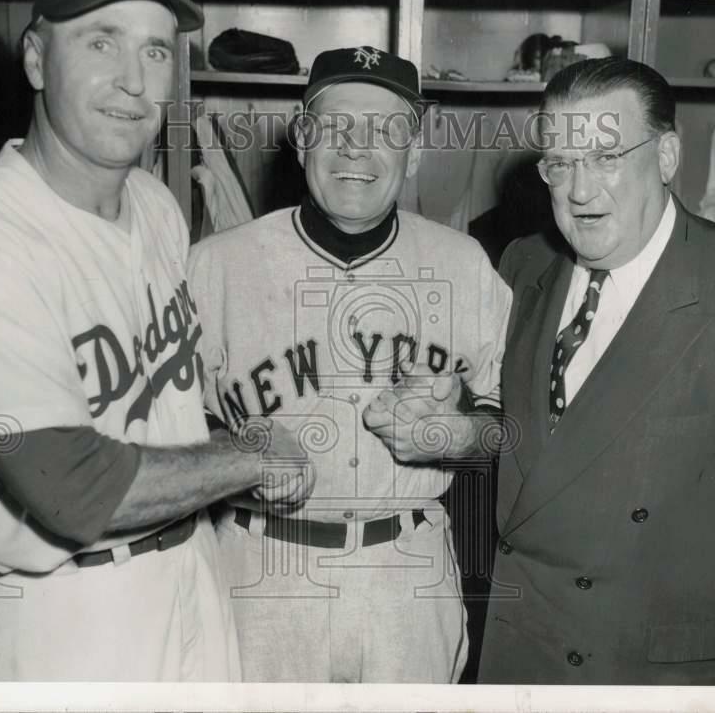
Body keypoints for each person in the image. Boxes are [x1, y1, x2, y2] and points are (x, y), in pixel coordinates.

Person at [0, 0, 313, 682]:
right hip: (62, 612)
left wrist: (241, 454)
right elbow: (71, 487)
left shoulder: (155, 203)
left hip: (189, 576)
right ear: (36, 59)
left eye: (156, 52)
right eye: (102, 42)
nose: (133, 81)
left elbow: (161, 403)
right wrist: (250, 457)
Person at [476, 57, 715, 685]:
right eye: (560, 163)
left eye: (608, 157)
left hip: (653, 676)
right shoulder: (523, 264)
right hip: (520, 657)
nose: (580, 190)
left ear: (667, 157)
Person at [188, 46, 512, 682]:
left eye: (385, 131)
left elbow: (507, 427)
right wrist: (237, 450)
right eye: (335, 127)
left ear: (414, 152)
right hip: (263, 572)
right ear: (303, 140)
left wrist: (460, 434)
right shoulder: (216, 265)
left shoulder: (463, 263)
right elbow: (164, 428)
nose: (356, 150)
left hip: (407, 577)